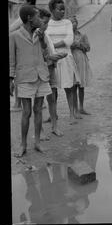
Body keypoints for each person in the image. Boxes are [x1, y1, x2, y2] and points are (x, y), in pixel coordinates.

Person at [10, 5, 52, 157]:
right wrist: (11, 79)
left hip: (41, 76)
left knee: (38, 109)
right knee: (26, 112)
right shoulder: (14, 36)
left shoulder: (40, 34)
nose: (41, 20)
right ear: (29, 18)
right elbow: (11, 61)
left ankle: (38, 143)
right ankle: (23, 145)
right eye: (38, 17)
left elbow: (46, 55)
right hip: (25, 78)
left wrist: (42, 40)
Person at [46, 0, 81, 125]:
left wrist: (52, 45)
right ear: (52, 10)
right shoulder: (47, 24)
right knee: (52, 89)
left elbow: (69, 40)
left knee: (69, 87)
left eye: (63, 9)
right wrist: (54, 47)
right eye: (59, 9)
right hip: (52, 59)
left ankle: (71, 114)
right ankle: (53, 114)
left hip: (66, 58)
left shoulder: (67, 23)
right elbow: (45, 40)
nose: (62, 11)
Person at [37, 8, 67, 137]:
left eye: (47, 23)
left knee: (53, 98)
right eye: (44, 22)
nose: (46, 25)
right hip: (41, 71)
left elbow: (49, 50)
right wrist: (51, 57)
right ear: (38, 20)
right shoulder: (35, 35)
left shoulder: (46, 34)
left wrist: (55, 56)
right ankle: (41, 131)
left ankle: (55, 127)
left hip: (50, 68)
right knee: (39, 101)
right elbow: (37, 55)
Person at [9, 0, 37, 112]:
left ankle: (17, 104)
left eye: (22, 0)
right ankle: (19, 102)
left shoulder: (28, 16)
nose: (19, 2)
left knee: (19, 75)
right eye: (19, 0)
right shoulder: (24, 16)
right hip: (20, 47)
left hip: (24, 48)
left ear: (29, 2)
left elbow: (11, 30)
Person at [70, 16, 92, 115]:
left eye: (74, 22)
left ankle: (81, 107)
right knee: (73, 86)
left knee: (81, 86)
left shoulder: (82, 35)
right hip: (71, 61)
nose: (73, 24)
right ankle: (75, 109)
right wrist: (71, 45)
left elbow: (88, 48)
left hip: (82, 61)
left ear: (77, 23)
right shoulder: (67, 36)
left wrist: (79, 45)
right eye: (71, 22)